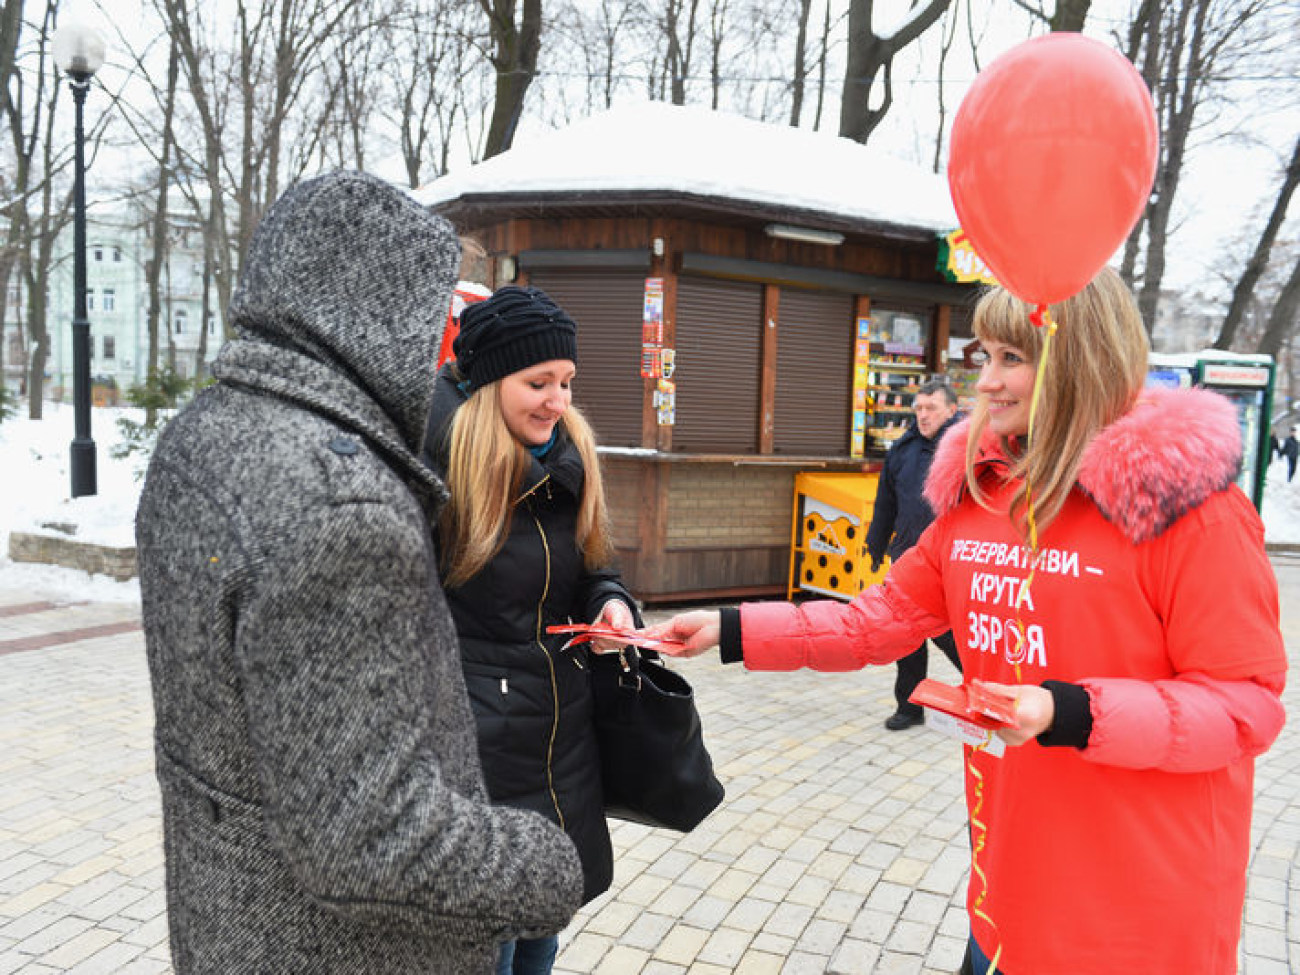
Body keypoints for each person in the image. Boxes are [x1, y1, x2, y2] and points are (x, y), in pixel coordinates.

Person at [646, 266, 1287, 974]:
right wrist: (730, 627)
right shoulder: (981, 501)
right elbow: (874, 621)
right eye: (984, 357)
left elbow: (1244, 707)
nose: (985, 382)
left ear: (1078, 361)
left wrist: (1069, 710)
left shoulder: (1189, 511)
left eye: (1012, 358)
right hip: (1011, 887)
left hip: (1139, 910)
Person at [134, 172, 583, 975]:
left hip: (237, 926)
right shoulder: (344, 509)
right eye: (432, 307)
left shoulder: (207, 432)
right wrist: (543, 862)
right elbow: (370, 835)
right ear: (383, 307)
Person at [419, 285, 641, 975]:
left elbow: (597, 563)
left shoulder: (570, 452)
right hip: (474, 760)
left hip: (558, 748)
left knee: (541, 936)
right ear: (488, 382)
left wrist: (612, 602)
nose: (558, 400)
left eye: (567, 381)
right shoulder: (435, 467)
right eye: (538, 382)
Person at [866, 378, 963, 730]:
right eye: (918, 409)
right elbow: (886, 502)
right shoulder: (902, 449)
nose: (923, 415)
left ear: (951, 410)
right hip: (907, 555)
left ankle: (988, 691)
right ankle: (909, 707)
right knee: (907, 634)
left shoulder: (965, 448)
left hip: (951, 561)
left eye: (931, 408)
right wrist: (875, 545)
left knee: (949, 633)